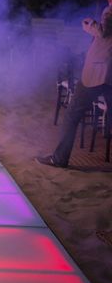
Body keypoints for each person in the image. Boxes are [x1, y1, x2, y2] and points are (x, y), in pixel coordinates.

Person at [37, 13, 112, 168]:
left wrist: (89, 24)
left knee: (72, 115)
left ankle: (59, 159)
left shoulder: (109, 10)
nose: (109, 2)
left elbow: (103, 32)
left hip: (98, 74)